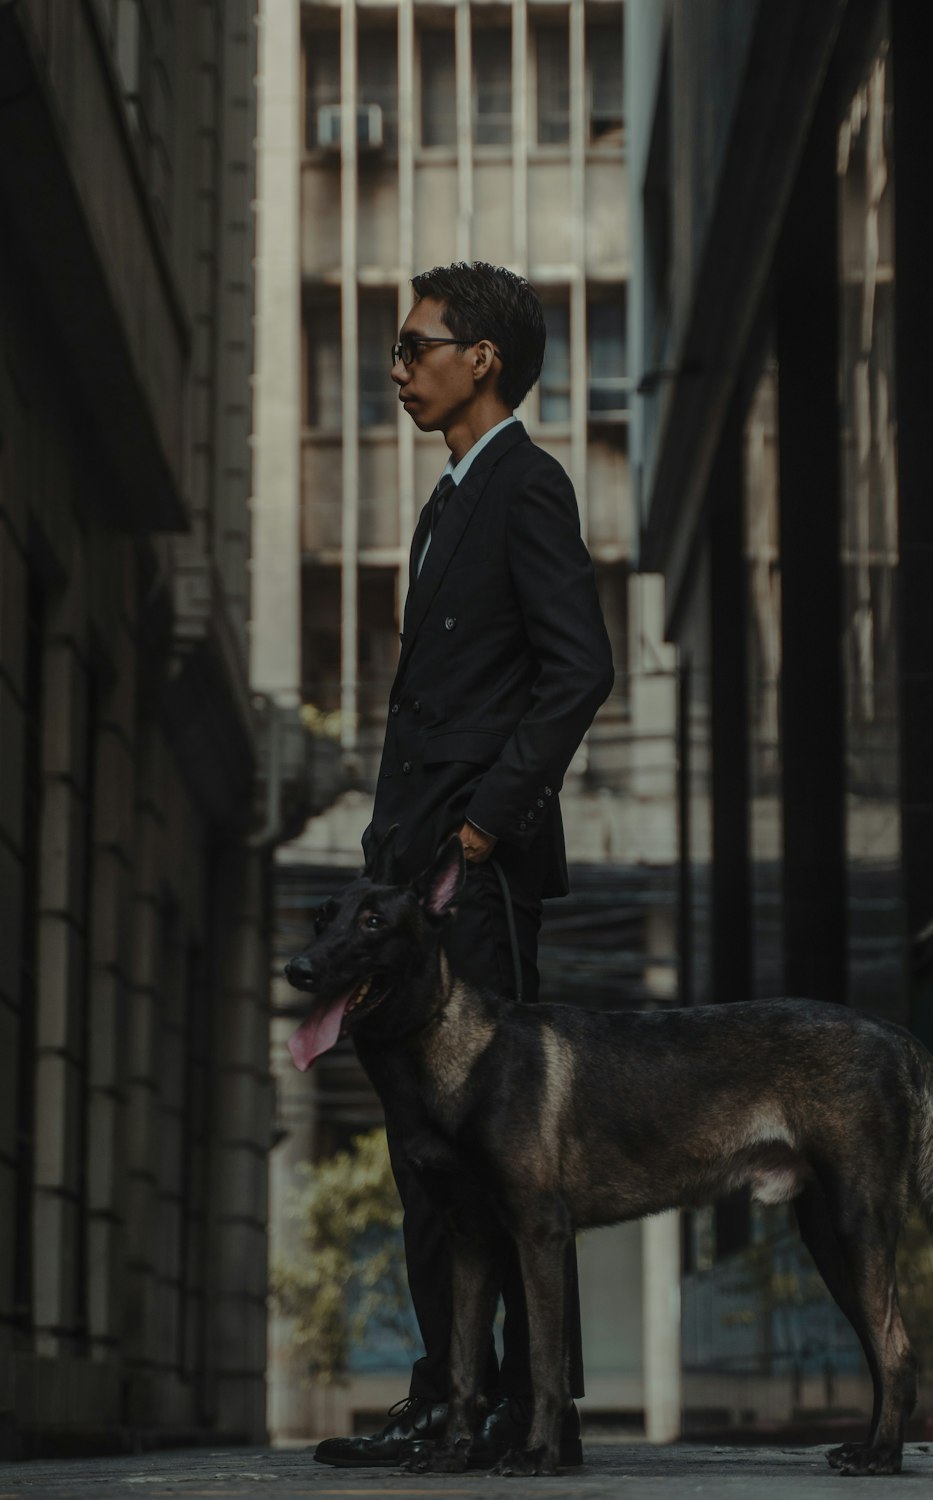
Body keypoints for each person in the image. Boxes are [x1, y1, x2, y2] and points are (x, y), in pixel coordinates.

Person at [314, 261, 614, 1469]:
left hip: (471, 879)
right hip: (413, 880)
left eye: (416, 344)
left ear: (479, 356)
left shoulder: (525, 487)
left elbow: (577, 667)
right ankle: (449, 1391)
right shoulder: (449, 500)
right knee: (424, 1148)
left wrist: (488, 822)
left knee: (501, 1145)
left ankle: (530, 1403)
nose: (398, 366)